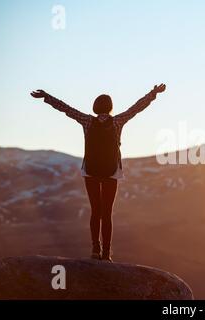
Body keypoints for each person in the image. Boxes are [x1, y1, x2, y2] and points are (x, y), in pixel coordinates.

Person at [30, 84, 166, 261]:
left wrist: (46, 97)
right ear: (110, 107)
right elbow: (136, 108)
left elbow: (66, 109)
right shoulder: (117, 121)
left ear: (95, 107)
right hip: (111, 172)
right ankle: (107, 253)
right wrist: (153, 93)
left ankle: (95, 249)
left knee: (96, 211)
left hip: (91, 171)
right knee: (107, 214)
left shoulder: (87, 121)